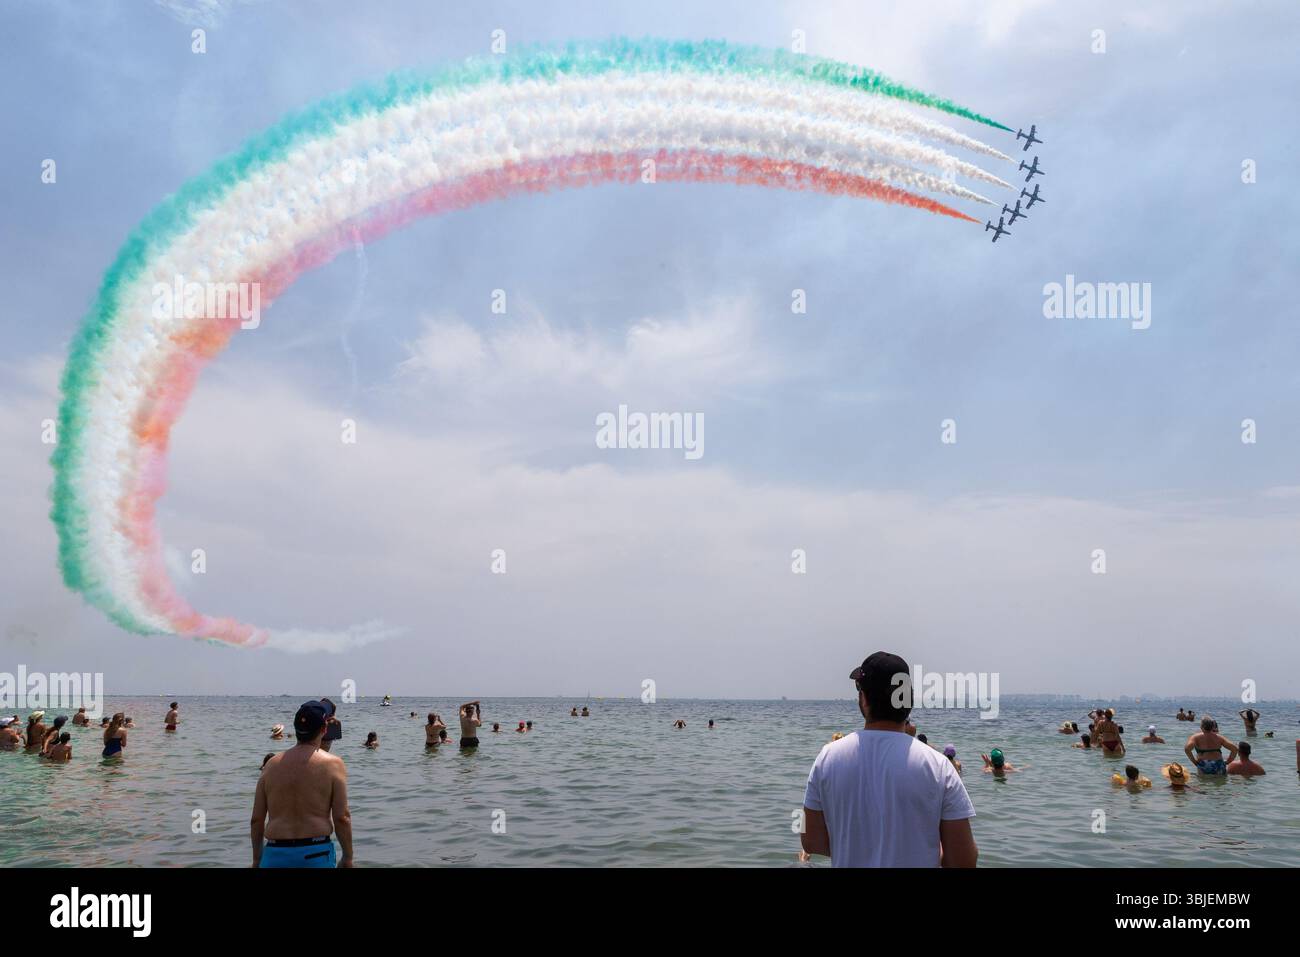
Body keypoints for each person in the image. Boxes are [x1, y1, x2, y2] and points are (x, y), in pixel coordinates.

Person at [800, 651, 977, 868]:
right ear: (908, 699)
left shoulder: (827, 758)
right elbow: (964, 860)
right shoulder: (939, 765)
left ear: (864, 699)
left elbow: (811, 841)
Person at [251, 700, 353, 868]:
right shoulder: (334, 764)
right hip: (316, 853)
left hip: (275, 854)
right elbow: (342, 818)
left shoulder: (270, 765)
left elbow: (257, 819)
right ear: (324, 729)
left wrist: (256, 860)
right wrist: (348, 858)